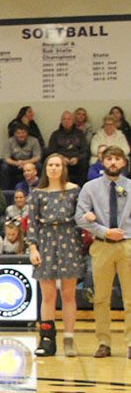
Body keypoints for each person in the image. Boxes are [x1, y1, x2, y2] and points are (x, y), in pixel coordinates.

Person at [75, 146, 131, 359]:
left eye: (117, 159)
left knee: (130, 298)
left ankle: (130, 343)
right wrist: (103, 230)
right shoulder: (90, 188)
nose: (113, 163)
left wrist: (124, 233)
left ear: (124, 162)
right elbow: (80, 217)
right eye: (109, 159)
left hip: (127, 244)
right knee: (101, 298)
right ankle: (103, 342)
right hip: (102, 244)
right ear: (102, 161)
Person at [26, 153, 83, 357]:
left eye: (57, 164)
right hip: (46, 240)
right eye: (50, 164)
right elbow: (31, 223)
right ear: (46, 168)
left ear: (63, 168)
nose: (53, 168)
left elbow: (81, 216)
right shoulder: (37, 193)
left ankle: (69, 338)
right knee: (48, 295)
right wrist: (33, 248)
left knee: (68, 294)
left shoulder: (74, 190)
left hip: (69, 239)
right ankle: (47, 339)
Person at [48, 110, 89, 185]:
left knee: (84, 163)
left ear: (73, 121)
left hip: (77, 160)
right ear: (61, 121)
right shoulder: (55, 134)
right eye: (64, 119)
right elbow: (51, 151)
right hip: (61, 160)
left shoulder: (80, 133)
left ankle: (80, 188)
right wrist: (61, 158)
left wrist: (77, 158)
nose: (66, 121)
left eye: (69, 119)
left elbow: (85, 150)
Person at [1, 122, 41, 189]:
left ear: (27, 133)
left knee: (39, 166)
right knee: (4, 167)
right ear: (14, 134)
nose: (21, 135)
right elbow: (6, 158)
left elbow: (37, 157)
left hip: (29, 162)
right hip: (15, 164)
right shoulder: (10, 141)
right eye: (18, 133)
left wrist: (25, 163)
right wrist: (16, 163)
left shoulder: (34, 140)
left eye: (23, 133)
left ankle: (39, 186)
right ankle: (5, 190)